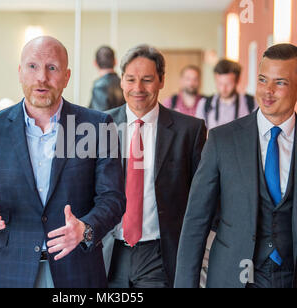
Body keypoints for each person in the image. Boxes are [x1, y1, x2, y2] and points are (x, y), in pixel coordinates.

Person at [0, 36, 126, 288]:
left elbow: (113, 199)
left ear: (66, 76)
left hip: (77, 272)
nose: (41, 77)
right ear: (20, 73)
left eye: (52, 68)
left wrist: (85, 229)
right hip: (11, 273)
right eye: (32, 67)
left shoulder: (96, 126)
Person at [175, 43, 297, 288]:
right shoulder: (222, 140)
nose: (267, 91)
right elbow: (196, 220)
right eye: (263, 80)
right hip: (233, 276)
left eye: (281, 83)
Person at [104, 44, 207, 288]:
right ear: (121, 81)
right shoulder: (100, 125)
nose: (138, 88)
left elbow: (202, 195)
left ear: (161, 81)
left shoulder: (189, 131)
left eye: (147, 80)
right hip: (109, 251)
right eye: (130, 79)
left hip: (160, 253)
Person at [196, 59, 257, 130]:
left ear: (238, 80)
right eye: (220, 83)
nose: (223, 88)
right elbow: (199, 133)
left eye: (228, 84)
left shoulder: (251, 103)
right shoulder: (204, 104)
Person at [89, 46, 125, 111]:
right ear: (115, 62)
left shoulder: (99, 87)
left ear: (95, 63)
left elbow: (98, 116)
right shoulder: (123, 83)